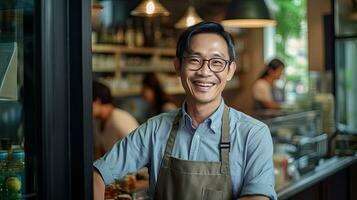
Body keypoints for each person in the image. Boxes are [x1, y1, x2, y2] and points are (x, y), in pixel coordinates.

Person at [93, 22, 276, 200]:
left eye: (217, 62)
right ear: (178, 66)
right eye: (195, 60)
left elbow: (257, 197)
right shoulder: (154, 130)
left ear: (230, 71)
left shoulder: (253, 134)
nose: (205, 71)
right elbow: (97, 173)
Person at [92, 80, 139, 158]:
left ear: (97, 101)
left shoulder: (119, 120)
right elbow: (99, 152)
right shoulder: (97, 121)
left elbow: (137, 152)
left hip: (134, 169)